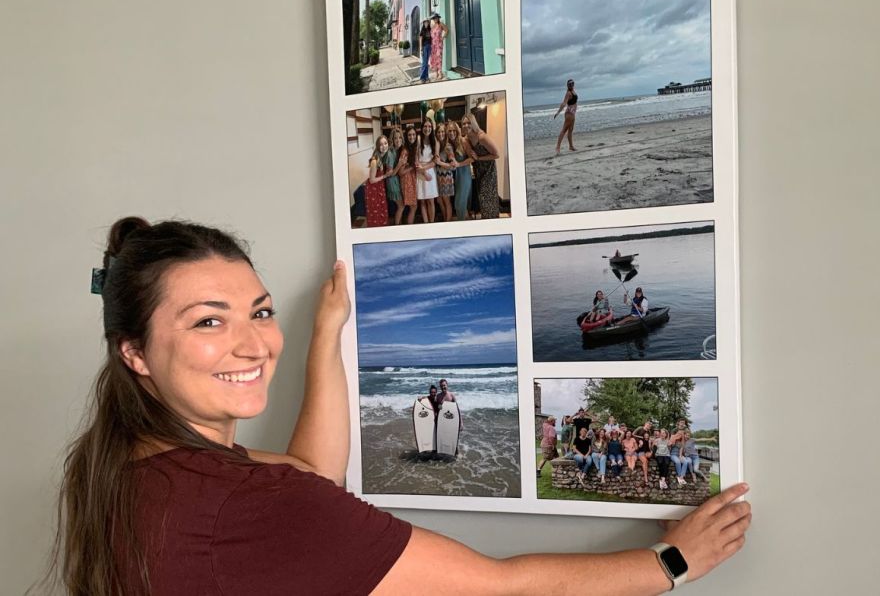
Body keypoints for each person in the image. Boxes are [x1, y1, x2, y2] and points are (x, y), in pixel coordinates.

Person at [48, 217, 751, 595]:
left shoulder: (127, 464)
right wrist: (672, 562)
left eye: (259, 312)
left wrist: (327, 335)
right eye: (208, 321)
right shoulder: (247, 503)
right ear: (134, 352)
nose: (254, 344)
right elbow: (498, 590)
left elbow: (304, 476)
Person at [461, 113, 500, 219]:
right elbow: (471, 155)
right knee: (482, 198)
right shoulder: (467, 139)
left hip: (489, 170)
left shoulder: (482, 137)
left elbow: (497, 155)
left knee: (488, 197)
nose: (466, 125)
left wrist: (479, 158)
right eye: (464, 123)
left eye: (468, 123)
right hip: (478, 170)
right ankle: (486, 220)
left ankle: (493, 221)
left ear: (473, 123)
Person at [450, 119, 474, 220]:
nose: (452, 133)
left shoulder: (462, 141)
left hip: (464, 175)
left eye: (453, 130)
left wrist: (459, 164)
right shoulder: (451, 143)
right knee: (461, 204)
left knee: (460, 204)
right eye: (449, 131)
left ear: (457, 131)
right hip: (457, 177)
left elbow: (472, 158)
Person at [416, 119, 439, 223]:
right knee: (422, 201)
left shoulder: (435, 141)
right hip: (420, 172)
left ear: (432, 128)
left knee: (431, 200)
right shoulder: (418, 139)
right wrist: (423, 172)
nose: (427, 128)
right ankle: (426, 224)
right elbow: (416, 159)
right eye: (425, 126)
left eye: (429, 126)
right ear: (422, 128)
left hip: (430, 172)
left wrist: (425, 170)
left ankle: (432, 223)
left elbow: (435, 161)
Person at [364, 135, 390, 227]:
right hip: (373, 189)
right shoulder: (375, 160)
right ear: (378, 147)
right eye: (381, 144)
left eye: (385, 143)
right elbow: (371, 180)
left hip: (379, 187)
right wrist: (385, 176)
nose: (384, 146)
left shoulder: (383, 156)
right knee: (375, 215)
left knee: (381, 212)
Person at [434, 121, 455, 222]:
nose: (440, 134)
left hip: (446, 177)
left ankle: (448, 222)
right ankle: (444, 219)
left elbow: (453, 166)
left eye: (442, 132)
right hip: (438, 177)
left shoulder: (448, 147)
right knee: (440, 201)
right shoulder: (438, 145)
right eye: (438, 132)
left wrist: (440, 163)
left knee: (446, 202)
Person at [399, 124, 419, 224]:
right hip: (407, 182)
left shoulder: (413, 147)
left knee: (414, 207)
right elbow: (401, 172)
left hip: (412, 180)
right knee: (414, 207)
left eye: (413, 135)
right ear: (406, 137)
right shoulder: (405, 151)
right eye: (409, 135)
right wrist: (412, 167)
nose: (412, 137)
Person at [553, 78, 579, 155]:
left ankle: (571, 146)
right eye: (569, 84)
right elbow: (564, 103)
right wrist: (558, 112)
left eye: (572, 83)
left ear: (574, 84)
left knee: (570, 130)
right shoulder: (568, 93)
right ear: (567, 85)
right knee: (564, 130)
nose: (571, 85)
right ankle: (557, 148)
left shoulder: (573, 91)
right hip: (569, 113)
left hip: (573, 113)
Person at [386, 127, 405, 225]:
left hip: (397, 181)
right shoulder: (390, 153)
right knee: (401, 206)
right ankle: (397, 227)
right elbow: (390, 173)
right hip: (392, 182)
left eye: (400, 138)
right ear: (392, 140)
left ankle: (399, 224)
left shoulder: (398, 151)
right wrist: (399, 165)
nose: (398, 140)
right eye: (395, 138)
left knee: (400, 207)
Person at [429, 13, 449, 82]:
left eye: (436, 18)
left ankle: (440, 73)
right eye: (434, 18)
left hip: (439, 44)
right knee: (434, 58)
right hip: (433, 44)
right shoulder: (433, 26)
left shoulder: (441, 24)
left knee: (439, 58)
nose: (435, 19)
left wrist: (443, 37)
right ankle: (436, 72)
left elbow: (446, 30)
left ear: (438, 18)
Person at [418, 18, 432, 83]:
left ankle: (426, 77)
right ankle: (422, 77)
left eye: (427, 22)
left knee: (426, 63)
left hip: (429, 47)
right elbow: (420, 40)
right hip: (424, 47)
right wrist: (421, 49)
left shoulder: (430, 29)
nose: (426, 23)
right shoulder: (422, 31)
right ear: (423, 23)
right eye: (425, 22)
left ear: (428, 23)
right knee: (424, 63)